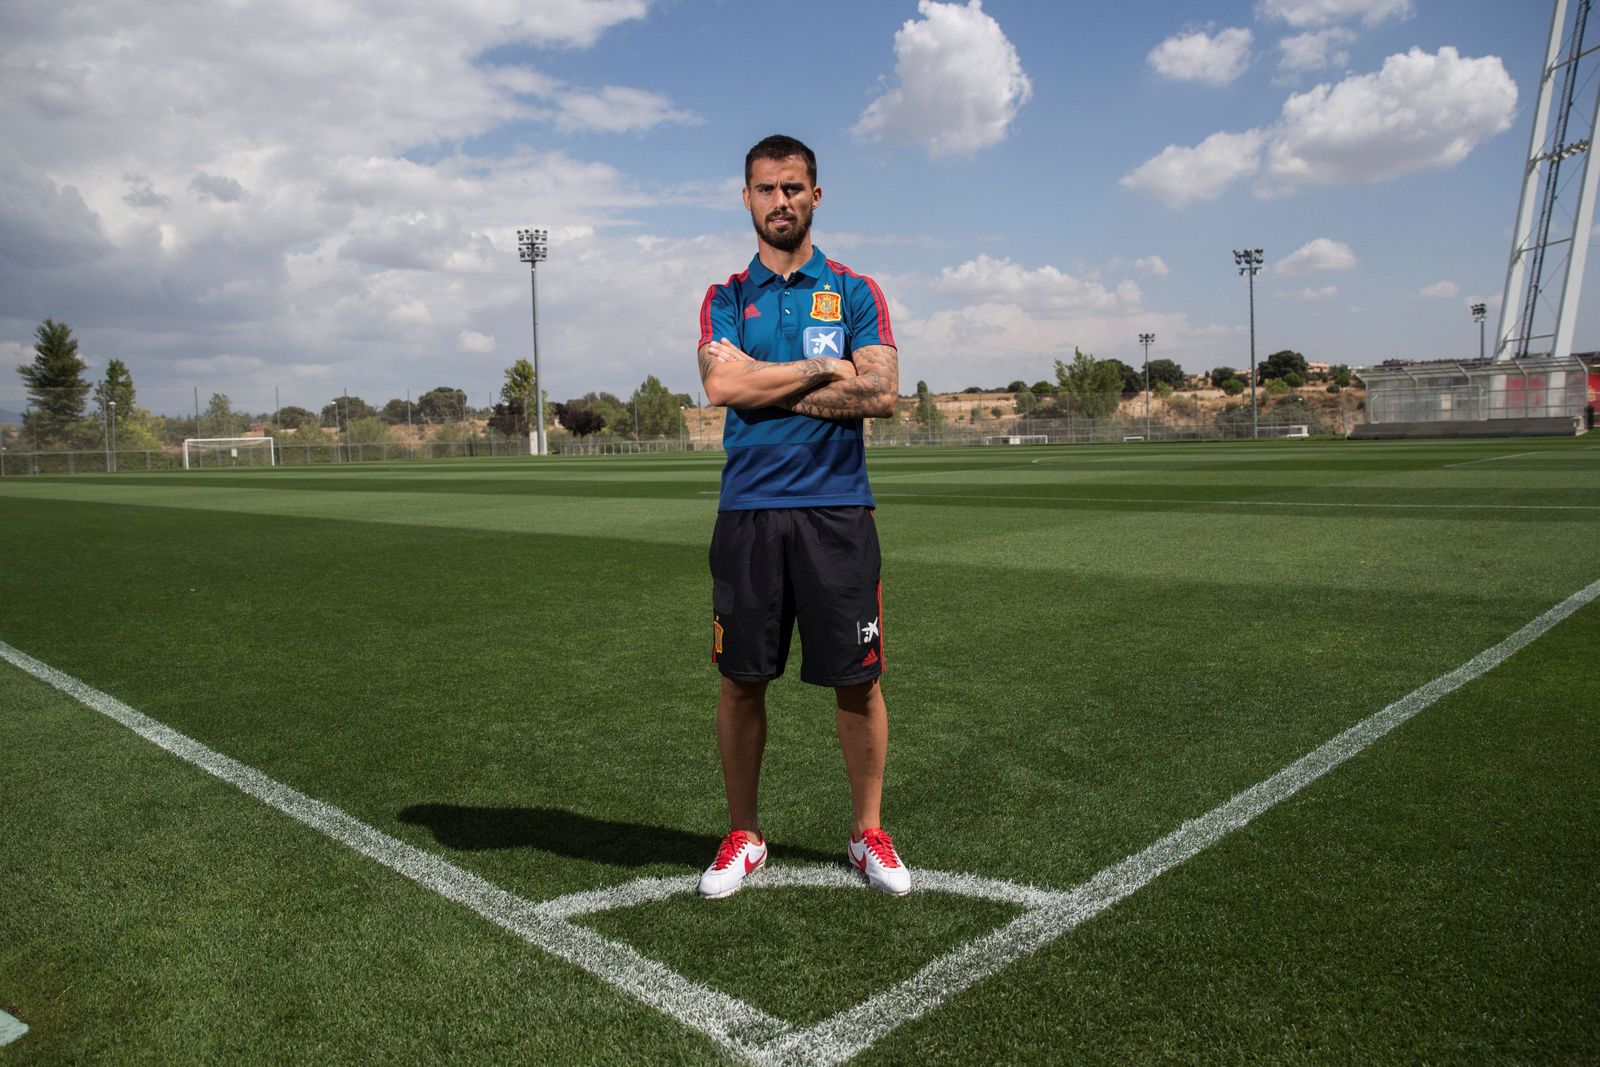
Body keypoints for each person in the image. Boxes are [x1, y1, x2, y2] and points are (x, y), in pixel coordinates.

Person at [694, 134, 908, 899]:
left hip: (838, 512)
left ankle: (867, 831)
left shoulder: (854, 290)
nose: (779, 200)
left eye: (792, 187)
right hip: (749, 513)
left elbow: (879, 392)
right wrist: (824, 366)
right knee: (740, 681)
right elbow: (722, 387)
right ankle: (744, 833)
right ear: (746, 198)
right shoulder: (725, 295)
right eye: (765, 188)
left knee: (858, 681)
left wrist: (764, 380)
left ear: (815, 195)